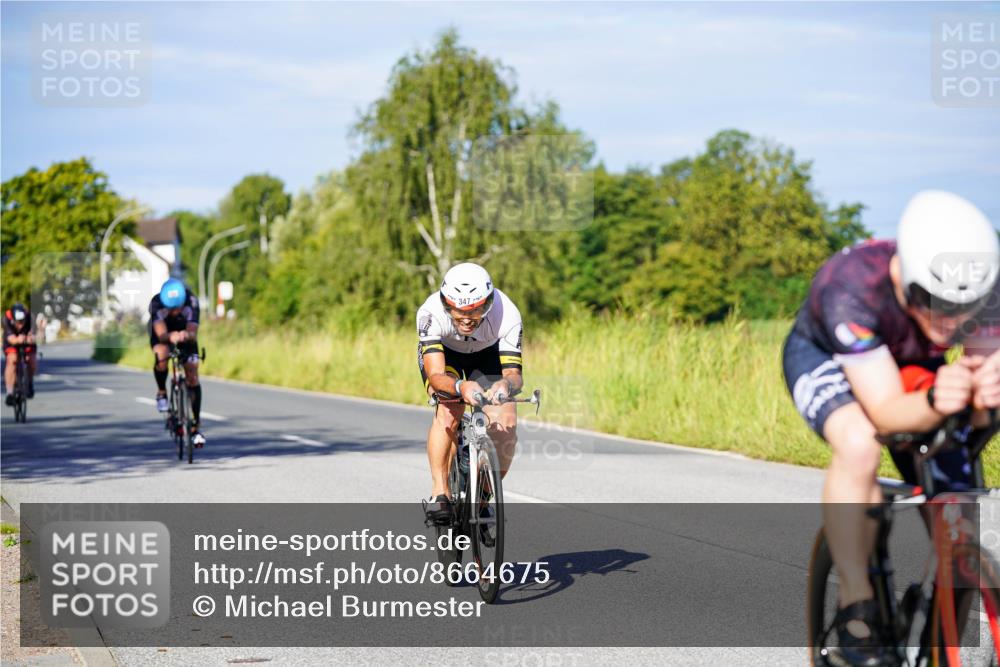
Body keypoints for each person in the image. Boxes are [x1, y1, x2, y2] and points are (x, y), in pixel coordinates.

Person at [782, 190, 1000, 666]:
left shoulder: (982, 290)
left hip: (916, 364)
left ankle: (939, 629)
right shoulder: (849, 288)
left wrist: (982, 398)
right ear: (907, 280)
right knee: (859, 443)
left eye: (966, 308)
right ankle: (856, 608)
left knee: (956, 501)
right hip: (829, 359)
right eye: (934, 303)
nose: (951, 322)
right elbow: (885, 412)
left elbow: (983, 401)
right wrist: (931, 400)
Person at [416, 263, 524, 524]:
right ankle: (440, 493)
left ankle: (484, 496)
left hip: (488, 354)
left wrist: (505, 387)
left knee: (506, 425)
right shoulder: (430, 313)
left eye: (476, 309)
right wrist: (459, 387)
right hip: (446, 356)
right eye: (457, 309)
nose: (466, 318)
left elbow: (514, 375)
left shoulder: (507, 313)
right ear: (445, 304)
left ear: (488, 303)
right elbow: (437, 376)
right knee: (449, 410)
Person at [149, 278, 206, 447]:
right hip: (163, 333)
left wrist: (185, 335)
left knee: (192, 374)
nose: (174, 311)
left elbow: (192, 332)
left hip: (185, 332)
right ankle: (161, 392)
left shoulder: (192, 301)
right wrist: (170, 336)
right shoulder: (157, 303)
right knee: (162, 354)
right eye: (170, 308)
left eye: (177, 308)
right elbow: (161, 335)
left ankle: (195, 426)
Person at [4, 303, 37, 405]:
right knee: (12, 360)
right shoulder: (6, 318)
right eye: (18, 322)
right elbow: (11, 338)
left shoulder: (30, 317)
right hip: (12, 341)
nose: (20, 324)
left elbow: (34, 335)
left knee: (31, 360)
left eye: (22, 322)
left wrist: (30, 338)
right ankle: (9, 393)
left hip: (27, 340)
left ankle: (29, 383)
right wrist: (17, 339)